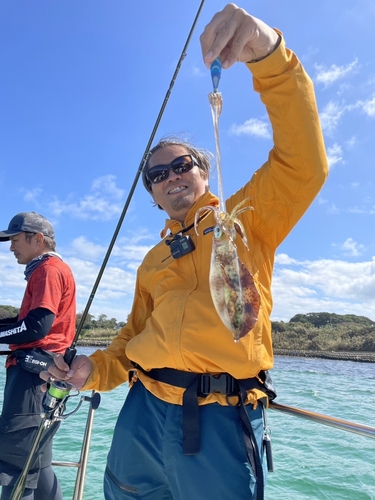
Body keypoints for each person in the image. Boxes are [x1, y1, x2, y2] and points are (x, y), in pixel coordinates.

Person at [42, 4, 328, 500]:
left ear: (204, 170)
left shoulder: (245, 220)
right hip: (141, 415)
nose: (171, 177)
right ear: (152, 196)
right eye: (157, 175)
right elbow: (131, 339)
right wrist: (94, 369)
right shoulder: (152, 262)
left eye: (181, 165)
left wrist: (270, 55)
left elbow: (302, 163)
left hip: (216, 421)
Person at [0, 212, 76, 500]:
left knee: (17, 461)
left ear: (37, 239)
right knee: (36, 457)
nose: (10, 247)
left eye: (15, 240)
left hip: (34, 372)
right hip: (45, 371)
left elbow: (35, 326)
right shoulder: (50, 269)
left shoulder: (47, 270)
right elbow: (25, 320)